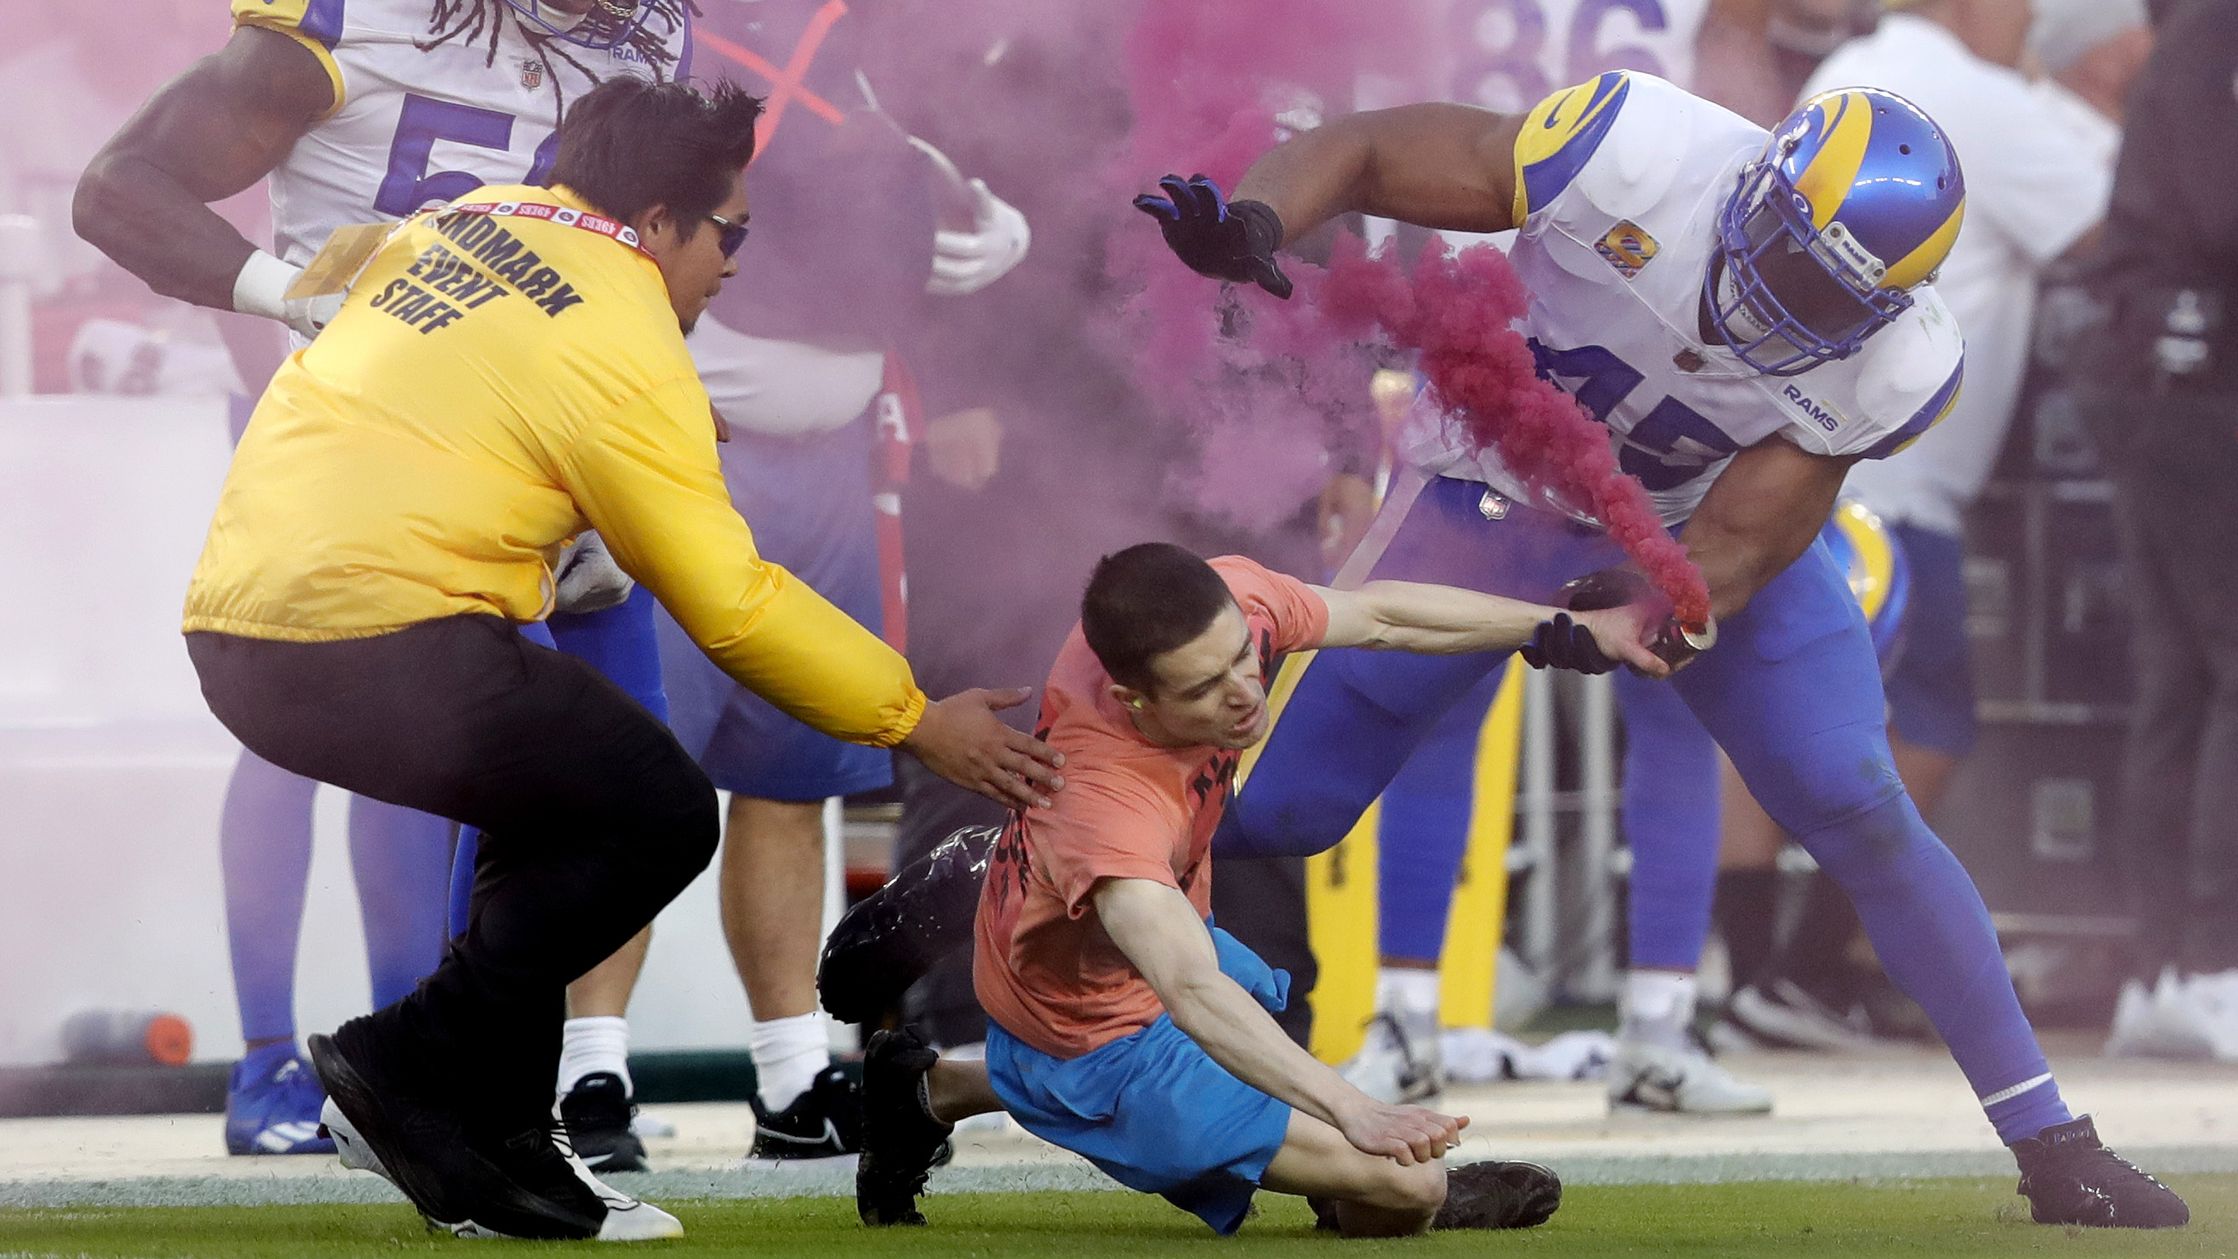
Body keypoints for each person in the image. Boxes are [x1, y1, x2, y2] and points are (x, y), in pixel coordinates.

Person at [1136, 69, 2187, 1227]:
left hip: (1680, 527)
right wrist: (1263, 215)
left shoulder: (1901, 360)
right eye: (1790, 260)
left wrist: (1660, 604)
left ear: (1893, 302)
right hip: (1485, 495)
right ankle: (1029, 902)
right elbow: (1382, 147)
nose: (1790, 307)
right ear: (1757, 191)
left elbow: (1738, 545)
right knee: (1280, 806)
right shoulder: (1634, 149)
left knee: (1858, 799)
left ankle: (2052, 1140)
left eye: (1835, 298)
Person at [176, 77, 1065, 1240]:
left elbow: (363, 295)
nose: (736, 266)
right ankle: (409, 1062)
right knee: (657, 808)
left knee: (554, 802)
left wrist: (627, 411)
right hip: (367, 637)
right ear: (653, 223)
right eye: (728, 231)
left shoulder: (461, 219)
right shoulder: (625, 333)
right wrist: (914, 718)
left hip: (239, 622)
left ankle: (496, 1146)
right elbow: (733, 604)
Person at [72, 0, 694, 1157]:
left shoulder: (649, 29)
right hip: (364, 443)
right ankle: (292, 1066)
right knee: (346, 739)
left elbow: (649, 256)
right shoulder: (358, 17)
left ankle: (452, 1077)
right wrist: (286, 295)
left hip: (549, 450)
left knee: (616, 782)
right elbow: (120, 188)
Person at [854, 542, 1664, 1236]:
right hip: (1096, 1028)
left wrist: (1562, 628)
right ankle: (1341, 1178)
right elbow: (1193, 991)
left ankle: (923, 1086)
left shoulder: (1225, 603)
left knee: (1255, 1010)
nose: (1245, 691)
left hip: (1123, 934)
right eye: (1205, 689)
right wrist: (1355, 1110)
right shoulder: (1104, 806)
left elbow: (1381, 615)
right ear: (1135, 700)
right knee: (1406, 1186)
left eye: (1246, 655)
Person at [1710, 0, 2126, 1054]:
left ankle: (1752, 963)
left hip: (1792, 444)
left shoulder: (1857, 67)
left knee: (1762, 712)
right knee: (1927, 717)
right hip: (1890, 473)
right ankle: (1799, 966)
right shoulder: (1981, 100)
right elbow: (2120, 225)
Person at [2078, 0, 2238, 1061]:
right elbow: (2217, 216)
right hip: (2186, 385)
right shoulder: (2212, 40)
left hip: (2170, 380)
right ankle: (2213, 964)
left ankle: (2164, 970)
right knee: (2218, 669)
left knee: (2181, 675)